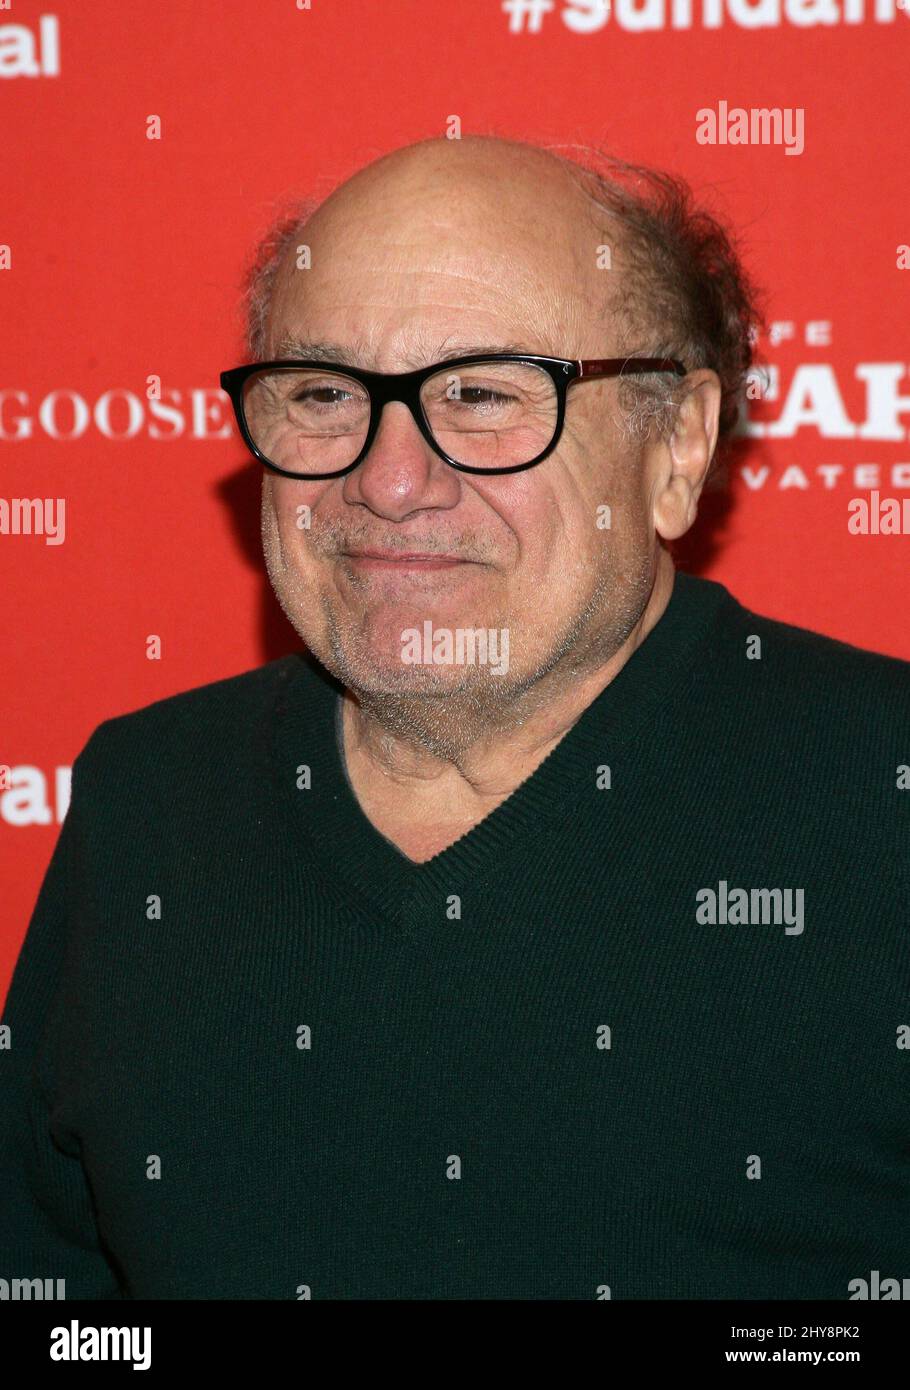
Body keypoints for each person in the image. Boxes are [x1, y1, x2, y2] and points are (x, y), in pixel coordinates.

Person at [2, 135, 907, 1300]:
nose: (387, 479)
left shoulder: (876, 798)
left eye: (480, 393)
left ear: (674, 446)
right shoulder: (150, 792)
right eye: (325, 394)